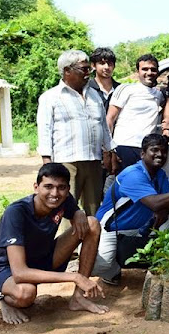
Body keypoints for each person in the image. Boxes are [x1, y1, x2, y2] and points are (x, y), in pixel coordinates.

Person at [0, 163, 108, 324]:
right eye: (48, 187)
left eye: (61, 187)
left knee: (91, 223)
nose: (54, 193)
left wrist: (78, 212)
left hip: (42, 258)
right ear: (36, 187)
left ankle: (78, 298)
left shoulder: (63, 199)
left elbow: (75, 211)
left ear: (68, 189)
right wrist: (75, 277)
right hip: (6, 270)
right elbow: (20, 273)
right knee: (25, 293)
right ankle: (5, 299)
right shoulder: (16, 212)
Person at [93, 134, 169, 285]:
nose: (160, 154)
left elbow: (167, 204)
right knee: (100, 266)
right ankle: (111, 269)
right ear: (142, 154)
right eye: (154, 150)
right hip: (111, 227)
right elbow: (155, 203)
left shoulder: (160, 174)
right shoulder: (132, 174)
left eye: (164, 151)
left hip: (139, 227)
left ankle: (162, 264)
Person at [37, 49, 112, 216]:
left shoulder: (94, 95)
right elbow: (44, 130)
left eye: (88, 69)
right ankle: (62, 242)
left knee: (93, 211)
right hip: (66, 162)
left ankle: (91, 242)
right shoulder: (51, 97)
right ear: (67, 71)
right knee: (63, 211)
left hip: (94, 161)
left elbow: (103, 126)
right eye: (83, 69)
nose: (88, 74)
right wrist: (47, 162)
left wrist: (109, 151)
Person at [107, 54, 165, 173]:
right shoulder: (126, 89)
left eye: (153, 69)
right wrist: (109, 150)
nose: (149, 72)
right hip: (125, 146)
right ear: (137, 71)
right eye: (145, 69)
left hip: (148, 149)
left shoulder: (159, 95)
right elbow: (110, 119)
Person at [87, 47, 120, 112]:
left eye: (110, 64)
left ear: (114, 66)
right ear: (93, 65)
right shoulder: (86, 89)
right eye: (102, 63)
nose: (106, 67)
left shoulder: (120, 89)